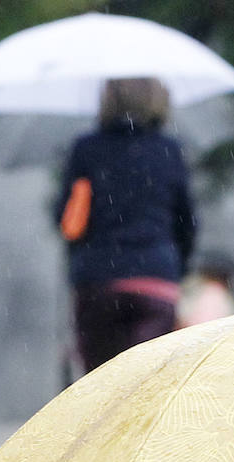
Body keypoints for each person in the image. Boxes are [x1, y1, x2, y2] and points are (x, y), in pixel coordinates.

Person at [55, 77, 196, 374]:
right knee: (146, 382)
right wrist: (176, 267)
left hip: (97, 282)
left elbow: (66, 218)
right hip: (155, 279)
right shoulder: (169, 149)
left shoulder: (86, 149)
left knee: (100, 383)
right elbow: (186, 222)